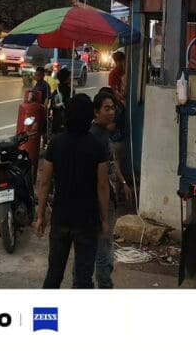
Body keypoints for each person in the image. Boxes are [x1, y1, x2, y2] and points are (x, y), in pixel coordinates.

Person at [36, 94, 109, 289]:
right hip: (87, 220)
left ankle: (44, 320)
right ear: (89, 116)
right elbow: (102, 186)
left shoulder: (56, 143)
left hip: (61, 218)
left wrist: (41, 215)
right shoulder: (97, 146)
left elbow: (45, 182)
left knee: (53, 275)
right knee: (84, 278)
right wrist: (104, 219)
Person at [90, 89, 132, 288]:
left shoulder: (104, 136)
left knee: (100, 246)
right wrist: (104, 216)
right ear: (96, 112)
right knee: (103, 248)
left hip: (107, 199)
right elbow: (101, 182)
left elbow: (113, 164)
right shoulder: (95, 138)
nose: (112, 112)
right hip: (101, 202)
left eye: (113, 108)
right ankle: (104, 285)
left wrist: (123, 183)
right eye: (107, 108)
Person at [50, 66, 72, 133]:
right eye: (69, 77)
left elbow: (52, 107)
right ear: (66, 79)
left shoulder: (55, 91)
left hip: (56, 124)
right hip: (66, 124)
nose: (71, 78)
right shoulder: (69, 92)